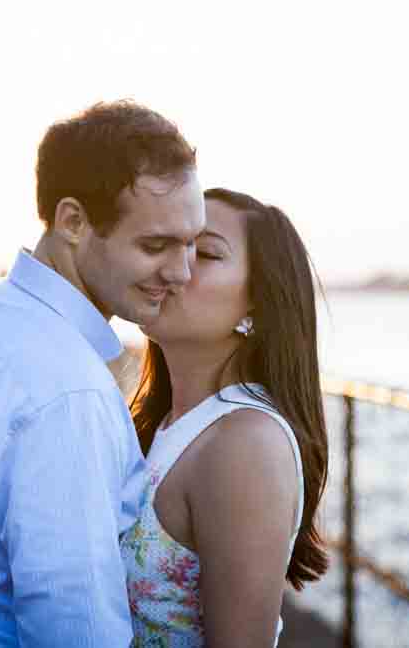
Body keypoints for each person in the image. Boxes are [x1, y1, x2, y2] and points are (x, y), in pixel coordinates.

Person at [0, 100, 205, 647]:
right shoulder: (66, 390)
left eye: (192, 243)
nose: (182, 271)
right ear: (73, 221)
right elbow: (76, 630)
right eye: (155, 245)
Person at [123, 188, 329, 646]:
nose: (175, 266)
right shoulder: (165, 426)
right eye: (165, 244)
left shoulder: (245, 443)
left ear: (257, 300)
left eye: (206, 252)